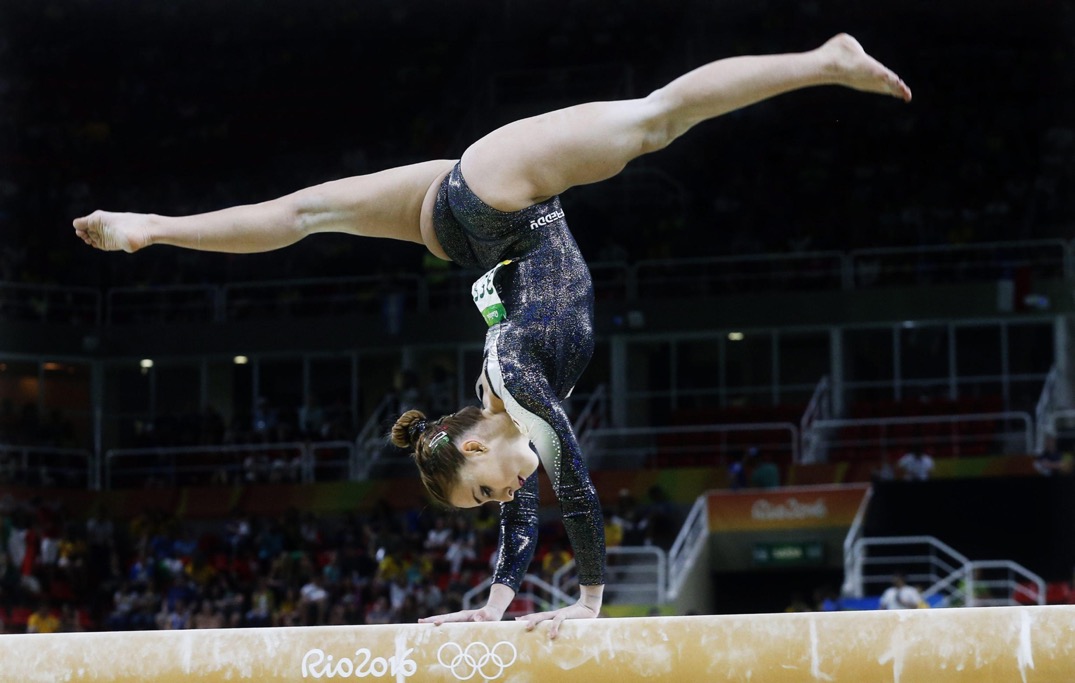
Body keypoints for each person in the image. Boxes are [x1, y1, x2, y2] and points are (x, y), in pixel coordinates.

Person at [74, 34, 911, 636]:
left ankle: (824, 61)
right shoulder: (504, 401)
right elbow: (527, 499)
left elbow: (573, 486)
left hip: (502, 194)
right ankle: (151, 226)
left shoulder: (512, 375)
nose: (501, 498)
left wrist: (587, 603)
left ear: (473, 449)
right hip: (457, 220)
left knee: (657, 119)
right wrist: (498, 598)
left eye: (481, 490)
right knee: (302, 213)